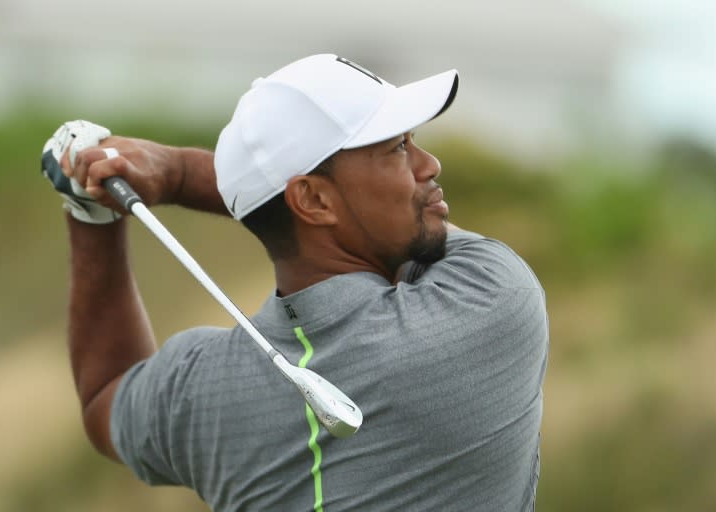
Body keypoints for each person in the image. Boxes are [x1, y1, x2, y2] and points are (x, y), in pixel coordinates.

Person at [42, 54, 549, 511]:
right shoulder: (487, 302)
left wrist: (90, 217)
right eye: (397, 147)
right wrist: (176, 172)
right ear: (314, 201)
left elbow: (104, 395)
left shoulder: (197, 390)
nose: (428, 165)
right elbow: (423, 230)